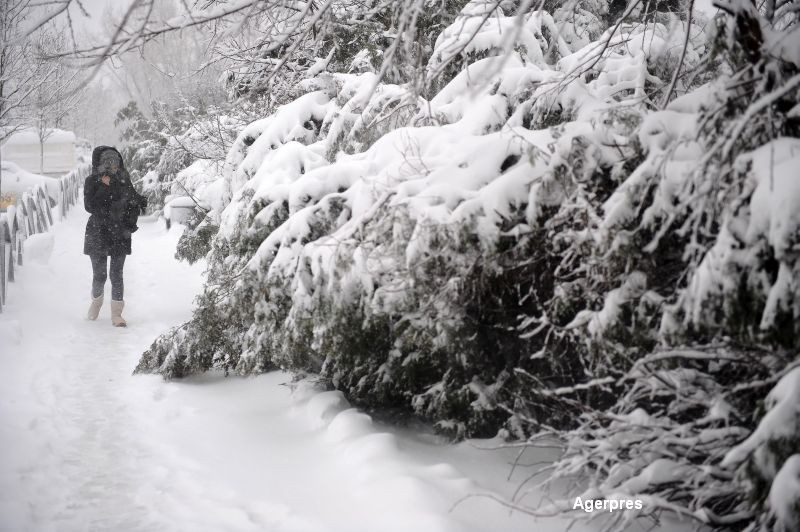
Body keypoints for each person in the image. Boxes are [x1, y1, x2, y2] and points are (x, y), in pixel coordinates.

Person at [83, 146, 147, 326]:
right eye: (110, 164)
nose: (114, 167)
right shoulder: (91, 181)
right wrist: (103, 187)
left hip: (119, 232)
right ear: (102, 164)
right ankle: (96, 302)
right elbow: (90, 207)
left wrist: (140, 202)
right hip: (98, 232)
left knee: (116, 274)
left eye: (116, 164)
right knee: (100, 275)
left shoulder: (124, 179)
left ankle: (117, 315)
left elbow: (133, 198)